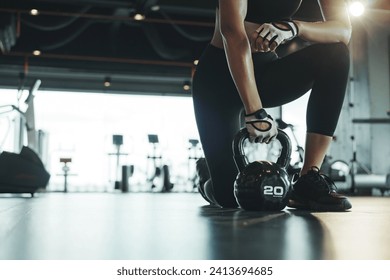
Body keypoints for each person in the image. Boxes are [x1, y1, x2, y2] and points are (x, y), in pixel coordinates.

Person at [191, 0, 353, 211]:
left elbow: (342, 30)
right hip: (218, 80)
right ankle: (207, 177)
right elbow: (232, 32)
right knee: (230, 197)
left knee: (337, 55)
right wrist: (255, 110)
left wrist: (295, 27)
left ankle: (308, 179)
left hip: (265, 71)